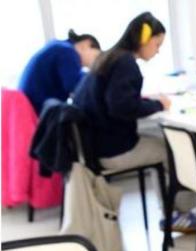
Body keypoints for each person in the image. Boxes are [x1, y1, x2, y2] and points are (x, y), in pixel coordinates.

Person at [73, 12, 170, 174]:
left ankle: (168, 200)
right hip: (112, 150)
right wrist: (159, 104)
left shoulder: (108, 58)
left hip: (95, 145)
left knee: (158, 142)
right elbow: (121, 107)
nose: (158, 51)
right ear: (144, 39)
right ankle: (179, 200)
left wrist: (145, 102)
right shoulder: (126, 63)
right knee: (173, 149)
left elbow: (116, 99)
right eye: (157, 45)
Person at [19, 30, 101, 114]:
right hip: (37, 110)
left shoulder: (57, 46)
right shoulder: (67, 51)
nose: (93, 64)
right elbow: (76, 85)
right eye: (95, 57)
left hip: (29, 107)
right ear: (85, 44)